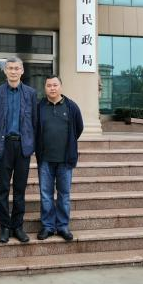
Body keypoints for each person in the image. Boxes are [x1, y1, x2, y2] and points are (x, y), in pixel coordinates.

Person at [0, 57, 37, 244]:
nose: (13, 71)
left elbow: (34, 122)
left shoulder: (31, 93)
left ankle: (18, 226)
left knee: (20, 189)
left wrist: (32, 145)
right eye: (10, 68)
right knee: (3, 189)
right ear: (5, 71)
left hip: (23, 147)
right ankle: (5, 227)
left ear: (22, 71)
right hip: (3, 146)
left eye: (17, 68)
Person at [35, 75, 83, 242]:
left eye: (55, 85)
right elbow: (35, 129)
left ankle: (62, 226)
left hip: (65, 160)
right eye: (49, 85)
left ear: (61, 86)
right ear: (45, 88)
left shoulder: (71, 106)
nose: (52, 88)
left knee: (64, 194)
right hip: (45, 159)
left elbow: (79, 128)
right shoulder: (39, 107)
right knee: (46, 195)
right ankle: (47, 227)